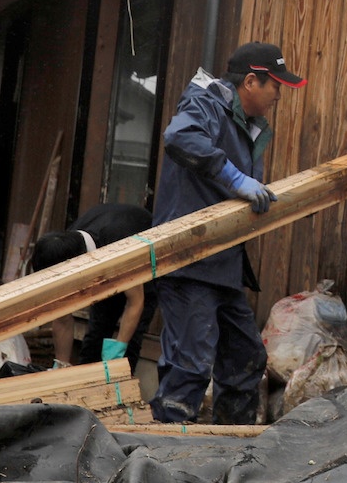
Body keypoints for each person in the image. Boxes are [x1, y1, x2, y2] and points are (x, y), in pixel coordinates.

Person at [147, 42, 302, 424]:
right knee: (191, 365)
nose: (278, 95)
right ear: (251, 81)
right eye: (275, 86)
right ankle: (163, 460)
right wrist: (235, 177)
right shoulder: (206, 103)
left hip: (223, 262)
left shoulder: (249, 126)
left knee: (246, 359)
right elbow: (180, 138)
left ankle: (228, 453)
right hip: (189, 260)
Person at [26, 202, 155, 366]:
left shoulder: (118, 245)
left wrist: (119, 347)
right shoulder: (66, 243)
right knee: (94, 338)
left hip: (141, 266)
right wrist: (61, 364)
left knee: (129, 345)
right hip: (103, 268)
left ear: (72, 266)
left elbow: (136, 302)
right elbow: (62, 317)